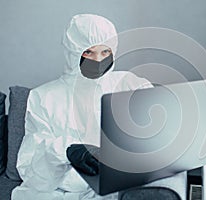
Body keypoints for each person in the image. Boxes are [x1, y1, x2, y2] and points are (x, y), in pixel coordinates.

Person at [11, 14, 186, 199]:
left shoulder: (131, 85)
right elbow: (29, 169)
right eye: (88, 52)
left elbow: (157, 139)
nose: (98, 60)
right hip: (56, 193)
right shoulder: (43, 97)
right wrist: (67, 151)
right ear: (72, 51)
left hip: (110, 192)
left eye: (105, 52)